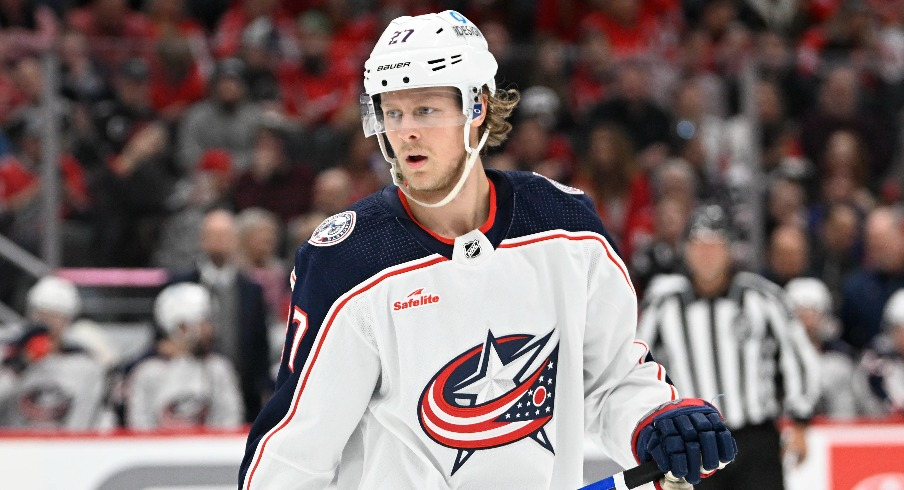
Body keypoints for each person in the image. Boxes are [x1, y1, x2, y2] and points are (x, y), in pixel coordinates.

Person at [239, 11, 736, 490]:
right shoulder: (351, 259)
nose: (404, 130)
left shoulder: (565, 227)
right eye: (392, 111)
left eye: (426, 109)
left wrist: (654, 419)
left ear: (477, 107)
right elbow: (296, 450)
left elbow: (608, 378)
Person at [638, 204, 820, 490]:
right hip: (692, 441)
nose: (706, 254)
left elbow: (797, 358)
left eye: (715, 245)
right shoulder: (663, 305)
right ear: (686, 250)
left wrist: (799, 421)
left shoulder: (762, 297)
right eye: (699, 245)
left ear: (730, 250)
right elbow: (640, 368)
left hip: (755, 439)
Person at [125, 282, 243, 430]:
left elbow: (231, 421)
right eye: (204, 322)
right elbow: (139, 426)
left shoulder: (219, 368)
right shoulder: (146, 373)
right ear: (182, 327)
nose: (211, 329)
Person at [0, 276, 107, 431]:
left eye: (56, 315)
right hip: (13, 444)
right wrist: (19, 365)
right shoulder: (7, 351)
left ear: (68, 320)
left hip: (60, 447)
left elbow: (83, 419)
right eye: (41, 313)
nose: (47, 322)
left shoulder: (84, 364)